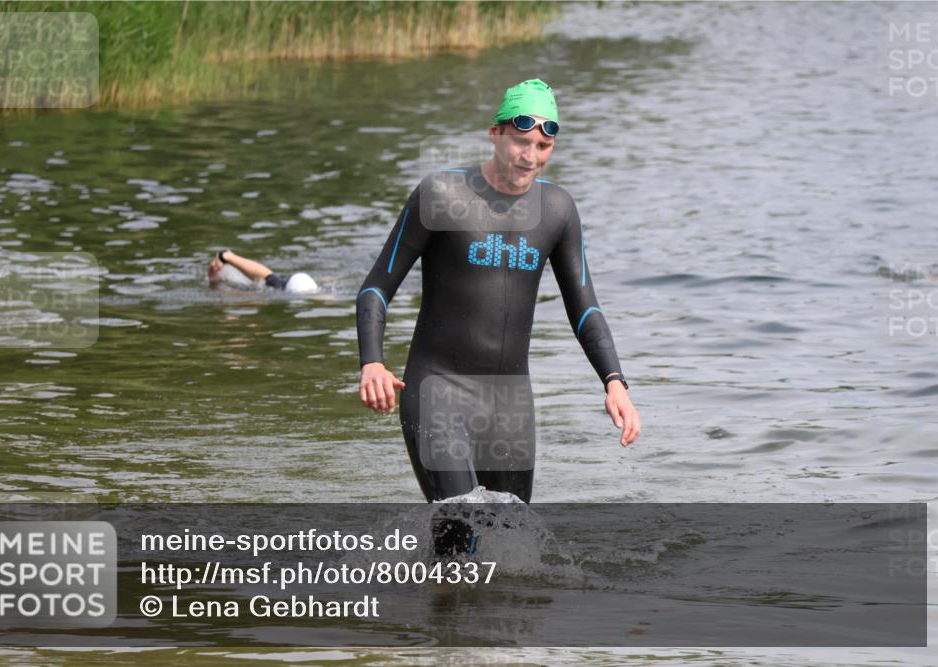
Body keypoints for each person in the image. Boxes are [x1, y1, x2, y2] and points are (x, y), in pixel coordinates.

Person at [356, 79, 641, 504]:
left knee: (511, 544)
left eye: (542, 148)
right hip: (438, 391)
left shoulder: (558, 210)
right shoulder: (441, 195)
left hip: (509, 405)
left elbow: (584, 308)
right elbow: (376, 288)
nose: (530, 157)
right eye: (520, 142)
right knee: (460, 532)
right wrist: (372, 362)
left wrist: (614, 382)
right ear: (495, 134)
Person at [208, 249, 317, 293]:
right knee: (270, 279)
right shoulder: (278, 286)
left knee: (269, 279)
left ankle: (227, 256)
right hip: (294, 285)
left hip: (300, 284)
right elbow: (266, 275)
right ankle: (227, 256)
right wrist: (224, 257)